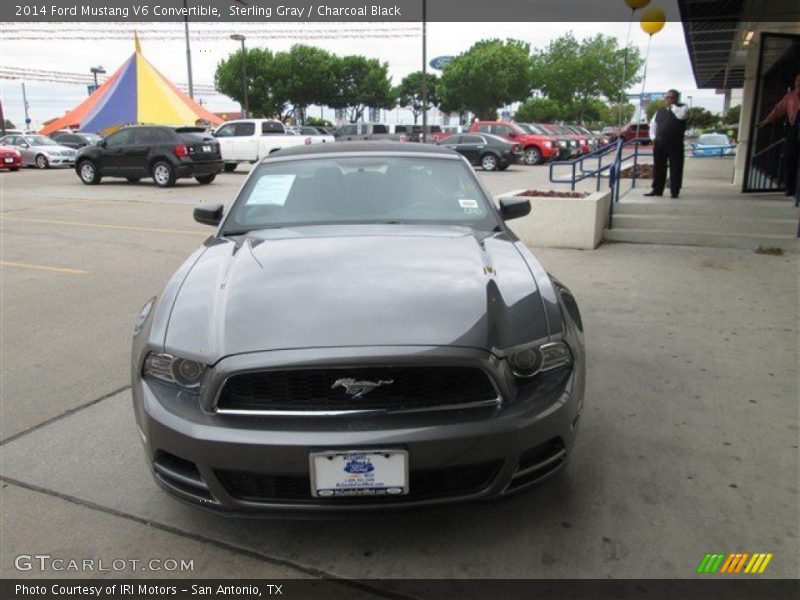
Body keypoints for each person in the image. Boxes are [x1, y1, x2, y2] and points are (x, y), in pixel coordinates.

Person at [759, 73, 800, 197]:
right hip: (794, 129)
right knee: (790, 158)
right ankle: (790, 187)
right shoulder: (790, 96)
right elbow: (779, 109)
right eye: (797, 80)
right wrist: (767, 120)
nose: (798, 83)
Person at [645, 89, 689, 198]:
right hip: (660, 143)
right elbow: (653, 125)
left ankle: (675, 191)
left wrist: (672, 106)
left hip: (675, 143)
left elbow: (680, 116)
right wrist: (653, 137)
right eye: (667, 97)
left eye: (671, 97)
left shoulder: (682, 108)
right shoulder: (660, 111)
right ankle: (657, 190)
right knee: (659, 167)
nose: (668, 100)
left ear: (676, 99)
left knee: (676, 167)